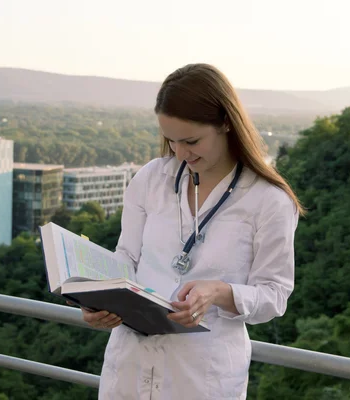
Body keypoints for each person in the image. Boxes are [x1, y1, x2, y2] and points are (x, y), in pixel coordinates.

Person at [80, 63, 304, 399]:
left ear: (226, 123)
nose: (180, 154)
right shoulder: (151, 179)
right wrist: (100, 300)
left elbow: (274, 294)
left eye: (191, 141)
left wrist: (218, 292)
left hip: (202, 379)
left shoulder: (269, 201)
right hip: (129, 370)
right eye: (170, 141)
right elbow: (126, 257)